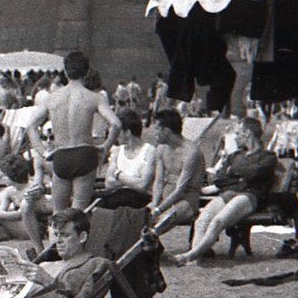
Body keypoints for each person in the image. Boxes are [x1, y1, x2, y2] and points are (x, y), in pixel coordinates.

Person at [21, 51, 121, 211]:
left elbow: (30, 126)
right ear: (87, 72)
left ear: (66, 72)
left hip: (61, 155)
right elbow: (116, 124)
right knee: (78, 212)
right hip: (84, 153)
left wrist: (42, 152)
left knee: (58, 212)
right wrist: (105, 147)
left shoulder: (52, 98)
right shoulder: (94, 97)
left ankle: (56, 236)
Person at [171, 117, 276, 266]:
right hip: (229, 193)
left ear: (247, 133)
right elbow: (220, 179)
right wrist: (236, 175)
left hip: (250, 196)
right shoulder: (236, 156)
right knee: (202, 219)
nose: (236, 137)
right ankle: (193, 261)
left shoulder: (268, 157)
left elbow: (256, 173)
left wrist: (233, 172)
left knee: (217, 222)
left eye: (239, 133)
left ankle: (189, 256)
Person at [97, 110, 157, 209]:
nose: (115, 136)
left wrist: (118, 174)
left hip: (139, 200)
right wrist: (133, 180)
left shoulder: (149, 151)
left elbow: (143, 185)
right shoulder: (117, 151)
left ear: (127, 132)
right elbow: (109, 183)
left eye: (117, 132)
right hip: (117, 197)